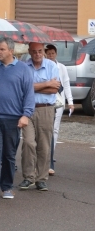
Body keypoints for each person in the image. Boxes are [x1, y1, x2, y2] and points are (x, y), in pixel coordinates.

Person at [0, 38, 34, 200]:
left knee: (9, 154)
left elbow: (29, 94)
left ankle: (6, 187)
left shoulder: (23, 69)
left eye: (2, 49)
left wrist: (26, 114)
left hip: (14, 118)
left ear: (11, 51)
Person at [20, 42, 60, 191]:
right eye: (34, 51)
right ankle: (28, 177)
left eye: (40, 51)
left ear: (43, 51)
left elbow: (54, 89)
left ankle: (41, 179)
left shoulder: (51, 66)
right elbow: (23, 88)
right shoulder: (24, 66)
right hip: (28, 109)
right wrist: (46, 83)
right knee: (28, 143)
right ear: (29, 52)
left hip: (46, 109)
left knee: (44, 145)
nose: (37, 54)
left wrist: (34, 86)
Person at [45, 44, 73, 175]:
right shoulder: (44, 66)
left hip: (59, 101)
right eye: (48, 53)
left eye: (52, 53)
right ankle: (46, 157)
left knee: (55, 129)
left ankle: (51, 153)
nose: (50, 56)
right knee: (46, 129)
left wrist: (71, 102)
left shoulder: (61, 67)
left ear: (56, 54)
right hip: (46, 101)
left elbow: (66, 84)